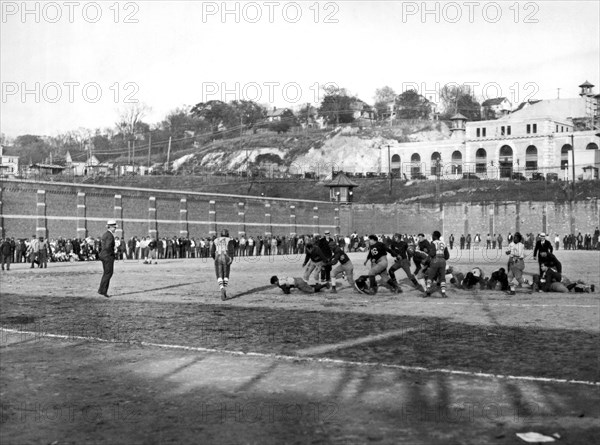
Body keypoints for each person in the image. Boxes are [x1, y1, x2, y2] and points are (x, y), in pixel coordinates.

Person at [210, 228, 235, 300]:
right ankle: (225, 288)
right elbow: (231, 250)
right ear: (227, 234)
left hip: (218, 257)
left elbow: (212, 252)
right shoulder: (229, 240)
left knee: (219, 274)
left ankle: (221, 288)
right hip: (226, 257)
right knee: (226, 274)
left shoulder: (215, 240)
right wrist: (231, 258)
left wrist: (215, 258)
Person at [424, 230, 450, 298]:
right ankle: (443, 293)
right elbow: (447, 256)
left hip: (435, 261)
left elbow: (432, 253)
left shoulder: (433, 243)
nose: (432, 237)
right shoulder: (444, 243)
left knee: (430, 277)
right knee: (442, 278)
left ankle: (428, 291)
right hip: (442, 261)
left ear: (435, 236)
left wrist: (427, 258)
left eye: (432, 235)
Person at [98, 220, 117, 298]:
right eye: (114, 227)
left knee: (106, 273)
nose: (115, 229)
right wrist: (113, 252)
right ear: (111, 227)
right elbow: (108, 246)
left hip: (104, 255)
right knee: (108, 273)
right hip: (108, 256)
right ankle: (102, 290)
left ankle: (102, 290)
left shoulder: (105, 234)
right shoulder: (109, 235)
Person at [506, 232, 525, 296]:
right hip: (511, 260)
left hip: (518, 262)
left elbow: (519, 254)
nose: (514, 238)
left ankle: (529, 283)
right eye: (514, 237)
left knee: (517, 277)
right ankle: (512, 289)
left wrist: (511, 252)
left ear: (519, 239)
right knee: (510, 275)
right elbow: (507, 251)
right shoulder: (511, 244)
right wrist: (508, 252)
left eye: (516, 238)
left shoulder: (521, 245)